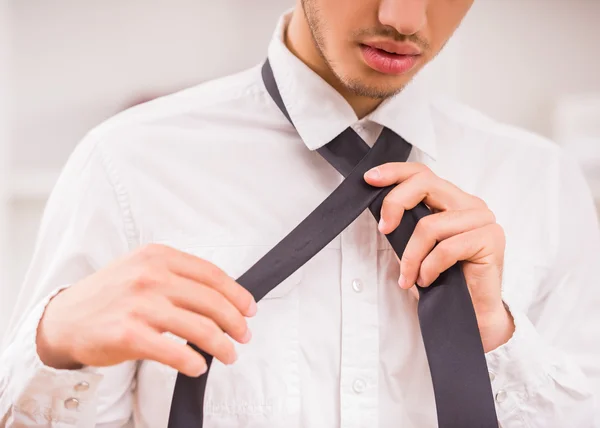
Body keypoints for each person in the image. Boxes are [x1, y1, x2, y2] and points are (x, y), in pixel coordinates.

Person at [1, 0, 599, 426]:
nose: (404, 18)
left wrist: (496, 336)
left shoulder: (543, 184)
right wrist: (58, 345)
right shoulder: (126, 164)